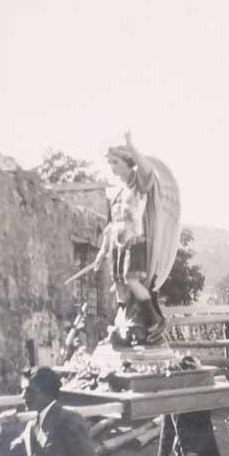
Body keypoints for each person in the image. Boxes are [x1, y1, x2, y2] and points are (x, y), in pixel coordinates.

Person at [92, 131, 181, 347]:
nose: (112, 167)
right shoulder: (118, 193)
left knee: (132, 280)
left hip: (136, 241)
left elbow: (148, 171)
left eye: (115, 162)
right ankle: (123, 322)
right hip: (118, 245)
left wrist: (131, 147)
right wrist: (102, 252)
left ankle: (155, 319)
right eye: (110, 162)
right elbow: (110, 227)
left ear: (127, 162)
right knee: (120, 284)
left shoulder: (137, 183)